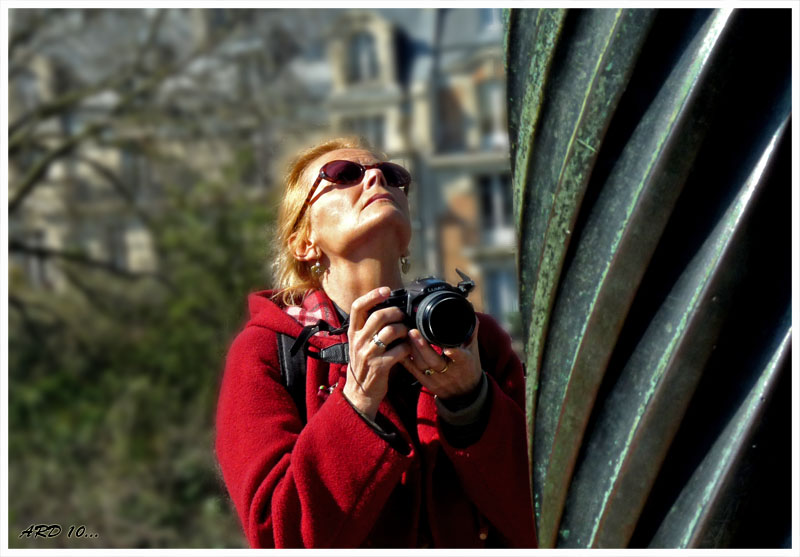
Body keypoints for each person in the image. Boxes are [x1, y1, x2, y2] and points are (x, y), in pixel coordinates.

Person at [214, 137, 537, 548]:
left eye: (393, 175)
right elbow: (280, 537)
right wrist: (357, 402)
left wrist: (471, 403)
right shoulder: (267, 351)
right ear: (304, 242)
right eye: (343, 175)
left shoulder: (474, 338)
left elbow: (550, 514)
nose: (375, 178)